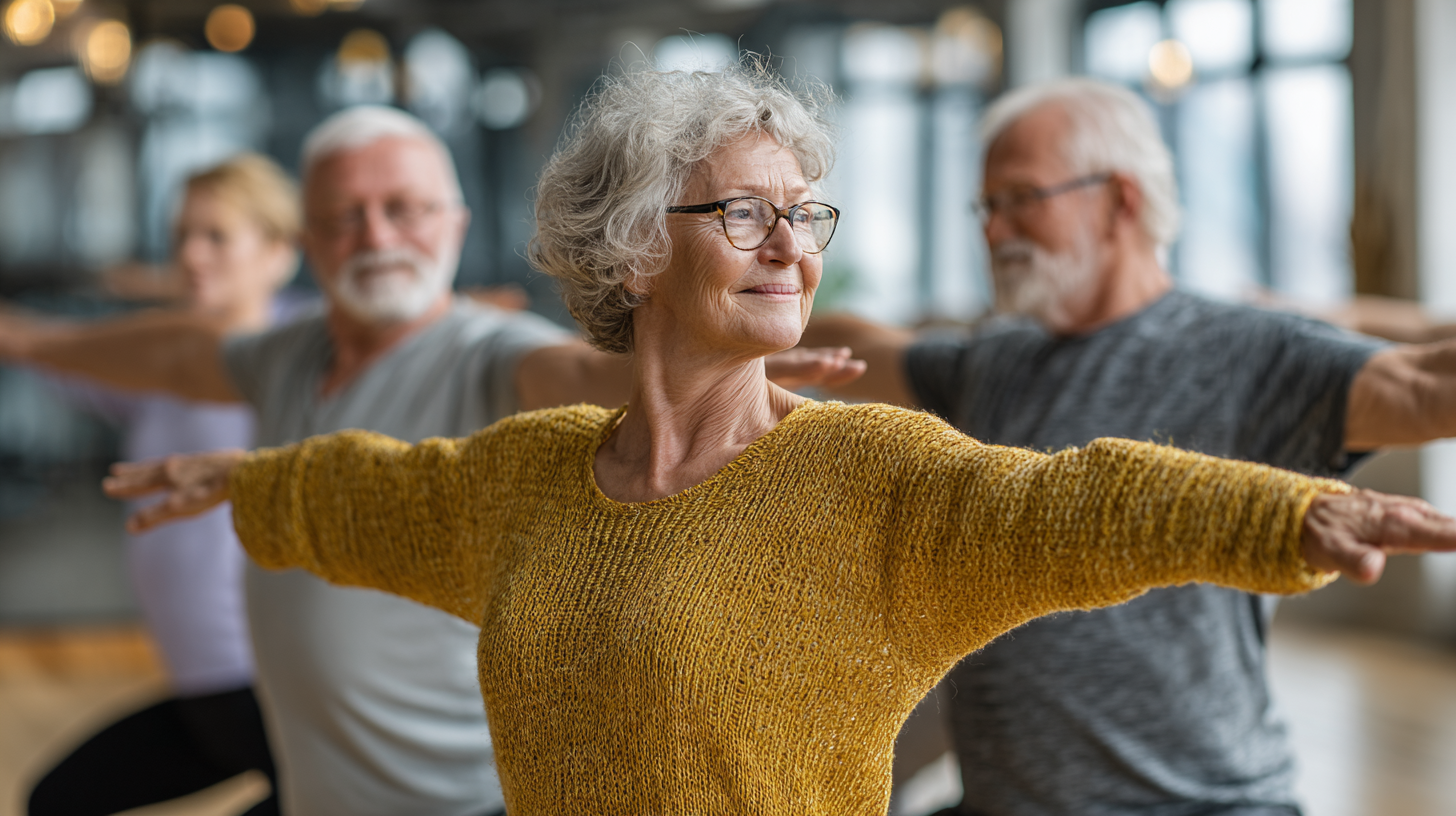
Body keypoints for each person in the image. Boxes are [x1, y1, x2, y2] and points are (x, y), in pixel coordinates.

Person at [103, 66, 1456, 816]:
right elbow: (380, 493)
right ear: (635, 248)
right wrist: (245, 478)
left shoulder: (871, 477)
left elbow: (1075, 501)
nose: (791, 247)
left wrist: (1288, 514)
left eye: (805, 217)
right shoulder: (528, 474)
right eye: (746, 215)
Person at [0, 103, 861, 816]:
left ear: (455, 223)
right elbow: (174, 354)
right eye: (348, 216)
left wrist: (717, 359)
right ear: (310, 238)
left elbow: (574, 372)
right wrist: (26, 339)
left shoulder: (487, 351)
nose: (378, 235)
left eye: (406, 209)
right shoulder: (286, 353)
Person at [800, 77, 1456, 816]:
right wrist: (747, 324)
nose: (993, 230)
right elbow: (860, 348)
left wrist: (1342, 313)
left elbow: (1425, 384)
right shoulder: (996, 360)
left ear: (1120, 199)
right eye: (987, 206)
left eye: (1021, 198)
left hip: (1200, 805)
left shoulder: (1251, 350)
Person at [0, 153, 300, 816]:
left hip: (271, 688)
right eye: (183, 237)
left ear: (280, 253)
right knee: (57, 801)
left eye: (217, 236)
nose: (191, 255)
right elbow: (58, 355)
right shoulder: (158, 368)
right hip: (205, 694)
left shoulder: (294, 358)